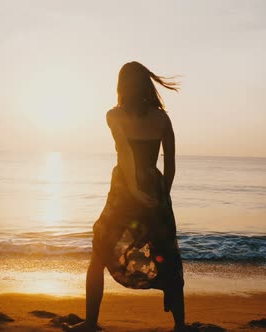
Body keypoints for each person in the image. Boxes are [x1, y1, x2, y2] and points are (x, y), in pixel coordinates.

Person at [64, 61, 185, 331]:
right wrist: (162, 195)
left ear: (121, 86)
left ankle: (91, 323)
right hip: (154, 187)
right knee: (166, 254)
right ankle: (180, 325)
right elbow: (171, 164)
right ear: (146, 85)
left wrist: (133, 191)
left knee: (99, 250)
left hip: (124, 189)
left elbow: (126, 155)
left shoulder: (114, 115)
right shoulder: (162, 118)